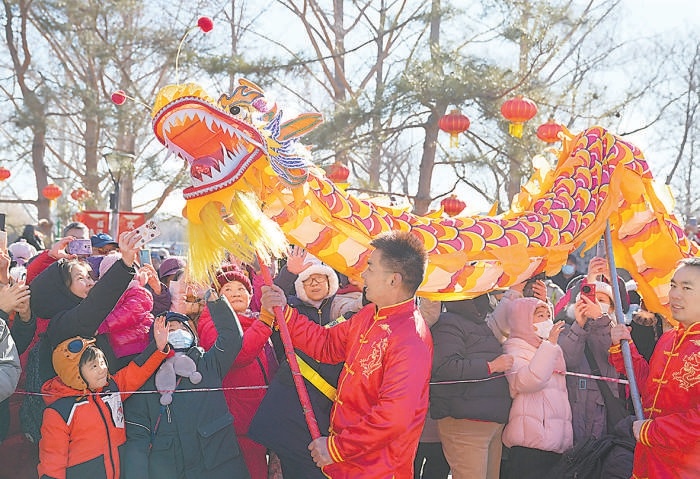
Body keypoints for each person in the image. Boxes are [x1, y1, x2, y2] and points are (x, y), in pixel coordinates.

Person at [259, 231, 432, 478]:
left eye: (371, 268)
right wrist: (285, 311)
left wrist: (337, 448)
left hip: (378, 468)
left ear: (394, 280)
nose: (363, 275)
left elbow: (393, 418)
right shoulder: (368, 315)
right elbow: (326, 344)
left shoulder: (411, 339)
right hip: (347, 463)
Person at [123, 303, 251, 479]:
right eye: (169, 329)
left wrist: (214, 300)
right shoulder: (145, 380)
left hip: (219, 464)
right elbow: (137, 441)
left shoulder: (207, 364)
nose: (176, 332)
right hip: (171, 469)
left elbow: (232, 337)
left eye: (182, 327)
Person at [249, 253, 345, 479]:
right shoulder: (289, 308)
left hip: (327, 404)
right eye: (307, 280)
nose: (314, 284)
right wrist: (289, 273)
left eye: (320, 279)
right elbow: (273, 300)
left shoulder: (342, 309)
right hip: (292, 395)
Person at [37, 318, 170, 479]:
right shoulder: (59, 412)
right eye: (93, 366)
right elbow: (52, 462)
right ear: (74, 373)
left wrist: (158, 348)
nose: (102, 369)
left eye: (102, 362)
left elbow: (136, 372)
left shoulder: (111, 388)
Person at [609, 257, 700, 477]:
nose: (675, 294)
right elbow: (648, 386)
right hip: (648, 464)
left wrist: (653, 430)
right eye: (673, 286)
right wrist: (624, 347)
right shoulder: (668, 338)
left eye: (686, 288)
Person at [197, 265, 277, 479]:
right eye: (228, 290)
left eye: (241, 289)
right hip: (236, 422)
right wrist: (265, 321)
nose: (235, 293)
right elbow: (239, 355)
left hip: (258, 418)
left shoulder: (253, 321)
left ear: (251, 295)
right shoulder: (211, 323)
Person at [430, 295, 513, 479]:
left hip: (491, 421)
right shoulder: (448, 323)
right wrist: (491, 366)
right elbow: (446, 367)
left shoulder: (481, 325)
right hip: (465, 422)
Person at [500, 297, 572, 479]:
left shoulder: (549, 347)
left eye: (549, 315)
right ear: (523, 320)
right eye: (540, 315)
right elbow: (528, 381)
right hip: (530, 445)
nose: (547, 320)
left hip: (556, 444)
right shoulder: (514, 348)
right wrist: (550, 345)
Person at [558, 280, 624, 445]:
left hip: (601, 408)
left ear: (611, 308)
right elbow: (568, 359)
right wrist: (579, 325)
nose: (596, 304)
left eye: (602, 301)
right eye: (592, 299)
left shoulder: (617, 331)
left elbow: (610, 355)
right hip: (571, 406)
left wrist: (600, 320)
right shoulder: (566, 329)